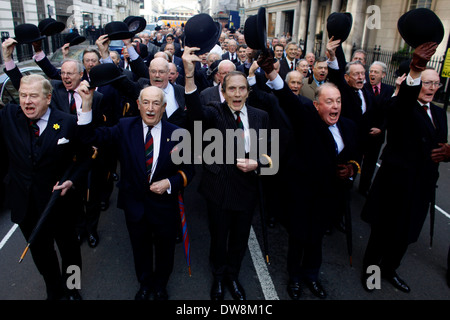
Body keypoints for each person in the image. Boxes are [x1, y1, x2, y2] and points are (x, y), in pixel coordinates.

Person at [257, 50, 360, 300]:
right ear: (316, 105)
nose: (334, 106)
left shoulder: (348, 126)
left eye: (337, 101)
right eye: (328, 101)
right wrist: (272, 73)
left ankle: (312, 276)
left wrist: (352, 169)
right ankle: (294, 278)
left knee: (316, 241)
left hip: (329, 197)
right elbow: (288, 100)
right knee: (299, 238)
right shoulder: (308, 121)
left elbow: (356, 156)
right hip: (303, 195)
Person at [77, 84, 194, 300]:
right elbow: (89, 138)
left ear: (164, 107)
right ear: (139, 105)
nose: (150, 108)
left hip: (164, 207)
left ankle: (160, 285)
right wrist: (86, 104)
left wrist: (169, 182)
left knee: (165, 250)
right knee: (140, 249)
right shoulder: (123, 127)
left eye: (156, 103)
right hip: (135, 205)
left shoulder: (179, 134)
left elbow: (188, 171)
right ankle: (145, 284)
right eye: (146, 103)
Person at [183, 46, 273, 301]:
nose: (237, 93)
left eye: (241, 88)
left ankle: (233, 276)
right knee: (219, 238)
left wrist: (257, 163)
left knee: (240, 238)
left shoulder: (260, 116)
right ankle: (219, 277)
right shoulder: (214, 112)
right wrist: (189, 77)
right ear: (223, 92)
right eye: (231, 88)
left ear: (248, 91)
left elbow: (271, 155)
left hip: (247, 190)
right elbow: (196, 118)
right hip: (218, 189)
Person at [361, 42, 449, 293]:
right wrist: (416, 68)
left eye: (435, 83)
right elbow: (398, 107)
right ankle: (372, 272)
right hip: (395, 185)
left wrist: (448, 153)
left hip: (422, 188)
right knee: (382, 234)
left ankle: (390, 270)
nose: (431, 88)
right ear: (416, 84)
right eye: (426, 82)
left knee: (405, 235)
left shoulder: (440, 113)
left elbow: (439, 144)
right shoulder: (401, 108)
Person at [0, 74, 91, 300]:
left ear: (48, 98)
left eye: (33, 96)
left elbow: (85, 157)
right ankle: (54, 290)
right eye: (22, 96)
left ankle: (72, 289)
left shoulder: (68, 122)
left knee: (69, 250)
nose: (27, 101)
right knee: (42, 254)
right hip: (26, 206)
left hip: (60, 204)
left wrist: (72, 180)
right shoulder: (9, 116)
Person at [358, 61, 394, 195]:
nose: (372, 74)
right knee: (356, 160)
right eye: (371, 71)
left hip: (378, 134)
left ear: (383, 75)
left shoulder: (390, 91)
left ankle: (364, 188)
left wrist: (381, 128)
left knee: (370, 163)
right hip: (363, 132)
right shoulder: (362, 88)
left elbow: (390, 113)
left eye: (376, 72)